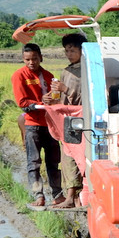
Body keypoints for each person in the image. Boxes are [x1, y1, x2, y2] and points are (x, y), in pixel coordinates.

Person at [11, 43, 63, 209]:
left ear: (41, 57)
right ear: (23, 59)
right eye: (27, 59)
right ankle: (39, 196)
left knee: (54, 161)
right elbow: (22, 102)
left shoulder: (49, 76)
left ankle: (58, 195)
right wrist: (41, 103)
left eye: (34, 58)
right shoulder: (19, 75)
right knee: (33, 162)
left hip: (50, 124)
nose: (31, 62)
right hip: (33, 124)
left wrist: (53, 100)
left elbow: (56, 99)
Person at [47, 33, 86, 209]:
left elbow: (88, 95)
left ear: (81, 51)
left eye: (73, 50)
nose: (69, 54)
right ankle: (72, 196)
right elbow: (62, 98)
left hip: (83, 118)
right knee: (68, 156)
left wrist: (66, 89)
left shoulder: (87, 70)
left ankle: (75, 196)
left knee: (80, 156)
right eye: (67, 50)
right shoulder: (66, 71)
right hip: (69, 119)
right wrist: (51, 99)